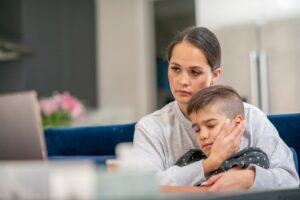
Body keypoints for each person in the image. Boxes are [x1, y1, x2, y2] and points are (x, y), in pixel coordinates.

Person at [133, 26, 299, 191]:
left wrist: (248, 178)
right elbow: (142, 187)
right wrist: (209, 163)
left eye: (195, 72)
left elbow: (290, 178)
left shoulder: (251, 118)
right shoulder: (150, 127)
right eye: (175, 69)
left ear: (215, 75)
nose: (182, 81)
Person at [175, 85, 270, 186]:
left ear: (237, 123)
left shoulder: (252, 157)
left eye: (211, 125)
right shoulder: (190, 158)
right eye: (197, 129)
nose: (202, 135)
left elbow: (219, 190)